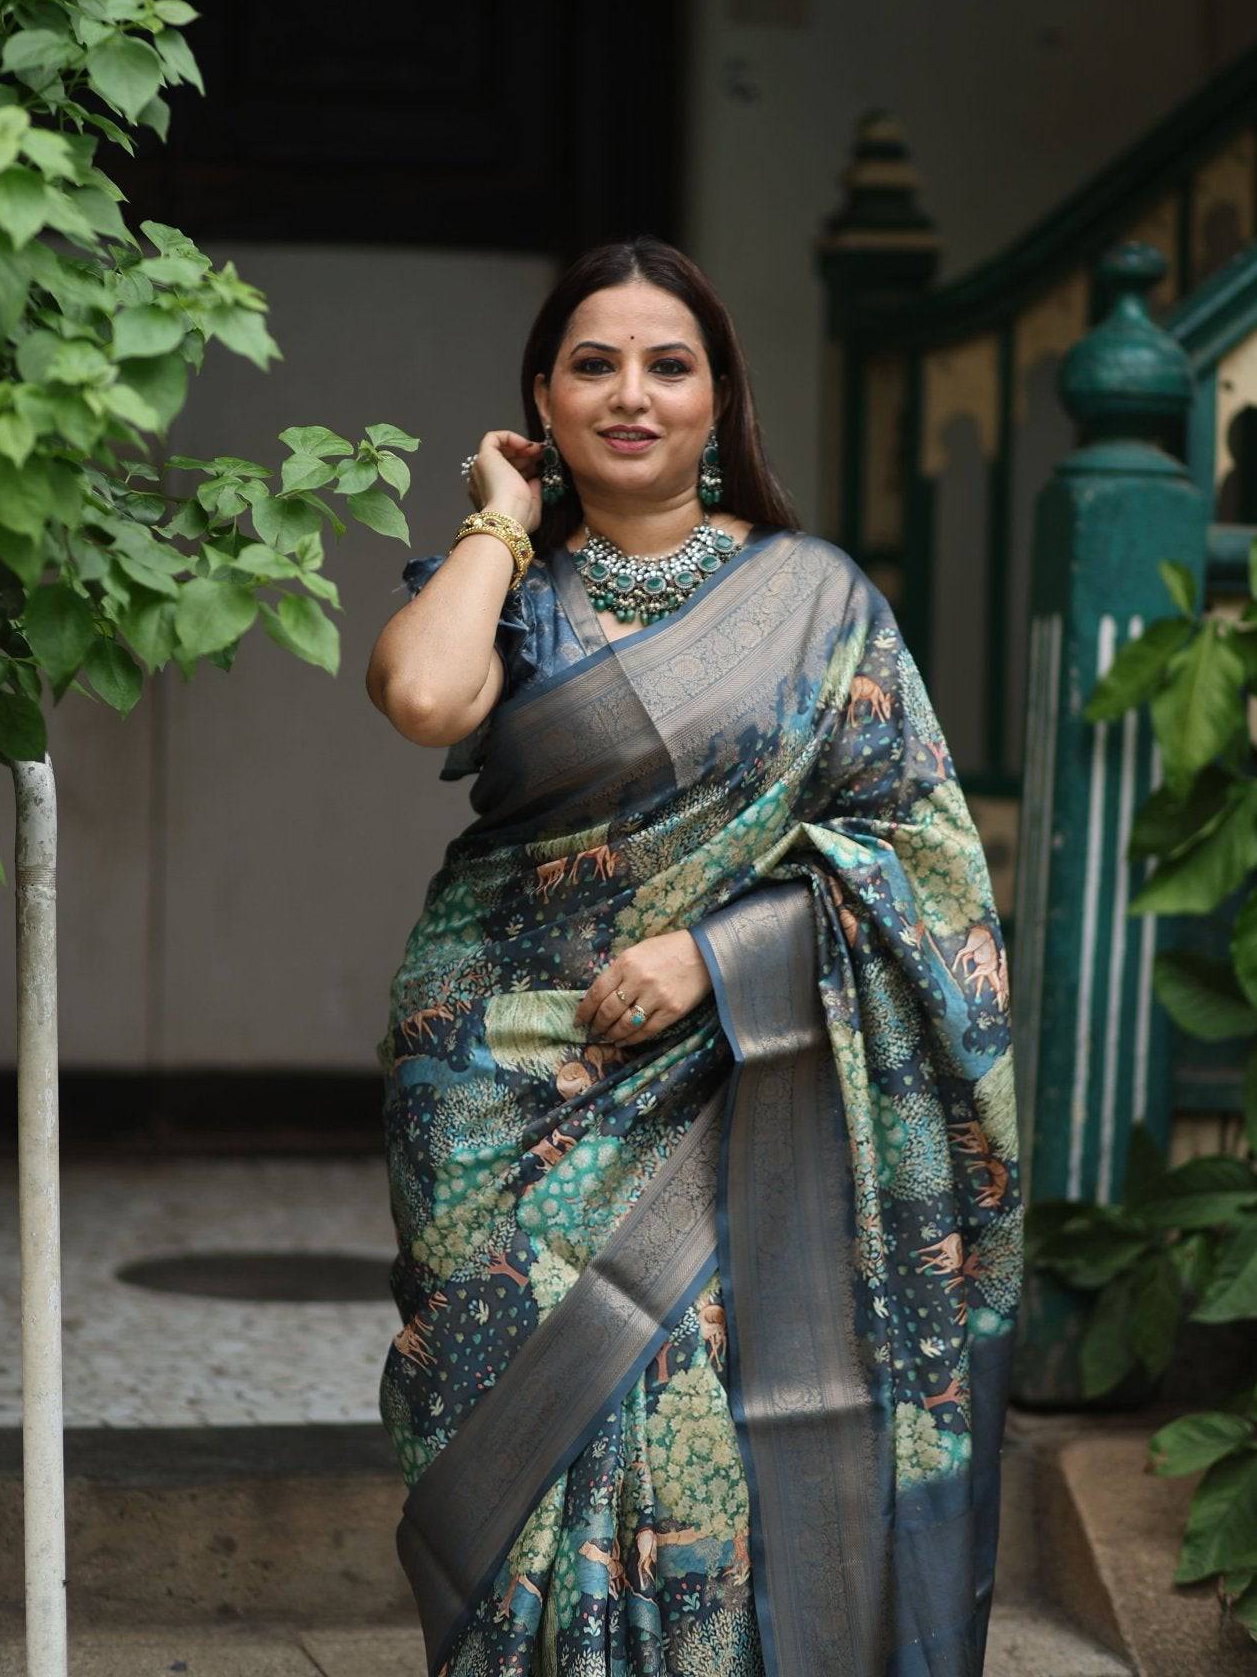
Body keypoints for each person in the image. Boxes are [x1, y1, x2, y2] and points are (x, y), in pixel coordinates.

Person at [364, 235, 1022, 1677]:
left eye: (670, 365)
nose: (631, 395)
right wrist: (497, 519)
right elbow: (421, 695)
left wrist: (721, 958)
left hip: (728, 1080)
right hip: (493, 1083)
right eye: (591, 363)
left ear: (720, 399)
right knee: (506, 1432)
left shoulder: (815, 607)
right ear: (539, 395)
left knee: (688, 1438)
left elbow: (920, 865)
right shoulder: (514, 590)